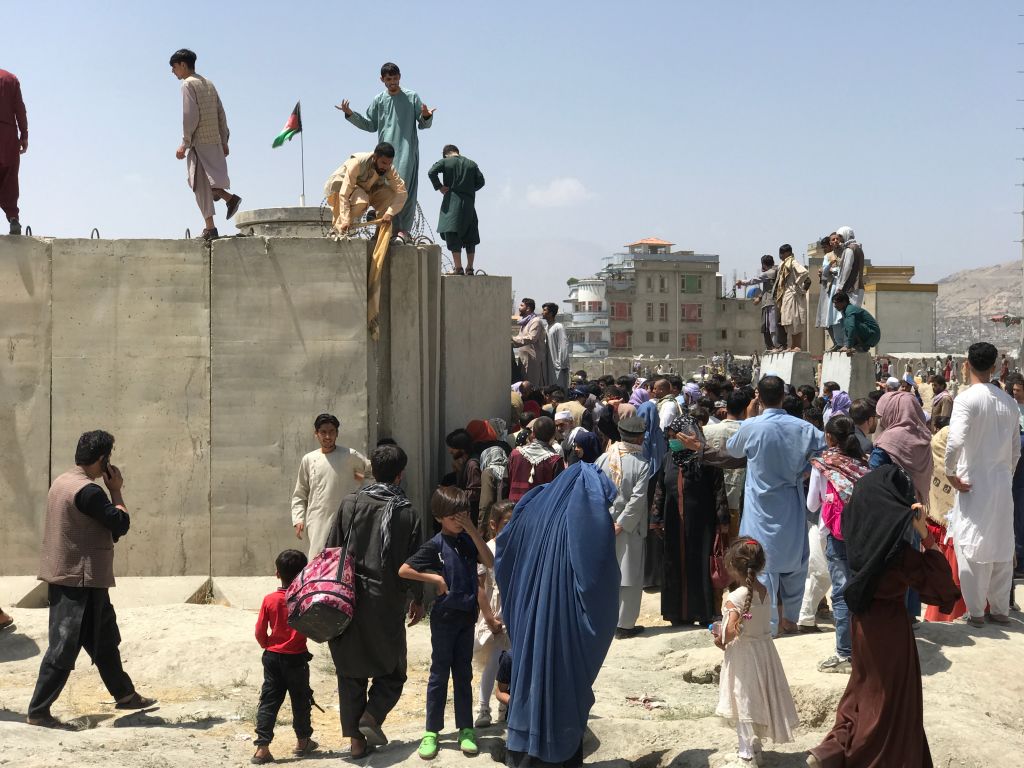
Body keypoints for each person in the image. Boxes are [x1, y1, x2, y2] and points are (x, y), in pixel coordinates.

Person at [807, 466, 960, 768]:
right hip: (891, 629)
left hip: (862, 624)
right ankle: (867, 757)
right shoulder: (899, 556)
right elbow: (943, 588)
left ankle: (831, 751)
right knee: (890, 702)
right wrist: (926, 536)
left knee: (863, 692)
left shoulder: (861, 544)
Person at [28, 430, 157, 727]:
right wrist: (117, 491)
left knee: (104, 639)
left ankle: (125, 695)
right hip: (80, 580)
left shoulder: (62, 482)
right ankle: (39, 710)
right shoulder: (89, 491)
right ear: (103, 459)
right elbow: (120, 523)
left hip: (77, 576)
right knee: (64, 645)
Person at [494, 462, 619, 768]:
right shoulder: (588, 514)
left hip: (527, 624)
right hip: (567, 634)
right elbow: (597, 580)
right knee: (561, 693)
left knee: (529, 687)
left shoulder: (534, 504)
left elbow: (504, 552)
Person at [325, 443, 425, 759]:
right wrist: (418, 599)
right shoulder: (407, 512)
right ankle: (372, 716)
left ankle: (356, 742)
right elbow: (414, 563)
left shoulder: (350, 504)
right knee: (393, 671)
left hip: (348, 599)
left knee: (351, 670)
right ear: (400, 475)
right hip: (387, 602)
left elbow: (331, 551)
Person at [726, 375, 826, 635]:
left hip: (760, 504)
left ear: (758, 396)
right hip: (790, 501)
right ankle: (790, 620)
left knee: (759, 561)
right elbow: (825, 450)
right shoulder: (803, 428)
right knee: (795, 561)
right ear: (783, 395)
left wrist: (749, 418)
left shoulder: (752, 426)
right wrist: (805, 470)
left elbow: (733, 450)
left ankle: (767, 624)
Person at [399, 486, 494, 759]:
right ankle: (432, 732)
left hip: (466, 617)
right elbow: (405, 569)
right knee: (439, 674)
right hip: (444, 619)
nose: (459, 520)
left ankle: (465, 728)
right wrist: (436, 579)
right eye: (454, 516)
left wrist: (473, 531)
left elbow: (489, 561)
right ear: (440, 517)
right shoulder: (435, 544)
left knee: (463, 674)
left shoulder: (467, 541)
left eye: (463, 514)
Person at [944, 341, 1020, 627]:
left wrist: (951, 472)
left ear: (966, 364)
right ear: (995, 367)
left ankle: (976, 613)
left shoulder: (967, 399)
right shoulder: (1009, 402)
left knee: (971, 545)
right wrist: (1004, 476)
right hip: (1001, 483)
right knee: (1001, 544)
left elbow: (955, 440)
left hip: (972, 482)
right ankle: (1000, 610)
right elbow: (1015, 451)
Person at [714, 539, 799, 766]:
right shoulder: (764, 591)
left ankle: (746, 753)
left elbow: (731, 632)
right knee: (758, 697)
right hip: (764, 652)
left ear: (733, 566)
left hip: (743, 656)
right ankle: (756, 748)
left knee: (742, 699)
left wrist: (719, 637)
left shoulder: (735, 598)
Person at [337, 62, 435, 242]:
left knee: (402, 188)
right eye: (388, 79)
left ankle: (402, 230)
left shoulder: (412, 97)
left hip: (406, 150)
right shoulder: (379, 100)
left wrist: (427, 116)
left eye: (395, 78)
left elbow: (423, 124)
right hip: (383, 154)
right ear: (382, 80)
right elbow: (370, 124)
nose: (392, 82)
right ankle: (384, 226)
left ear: (400, 76)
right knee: (384, 190)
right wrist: (350, 114)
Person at [651, 413, 729, 627]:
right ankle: (676, 614)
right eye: (669, 436)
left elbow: (718, 491)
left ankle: (703, 613)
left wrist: (722, 522)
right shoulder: (668, 458)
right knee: (674, 564)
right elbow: (660, 488)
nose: (672, 440)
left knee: (700, 564)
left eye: (675, 436)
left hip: (701, 523)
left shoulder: (706, 458)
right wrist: (656, 518)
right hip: (673, 521)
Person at [806, 416, 868, 672]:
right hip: (864, 535)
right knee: (862, 591)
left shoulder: (823, 465)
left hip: (835, 533)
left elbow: (812, 504)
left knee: (841, 593)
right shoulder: (863, 463)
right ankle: (865, 648)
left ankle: (845, 653)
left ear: (829, 437)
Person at [169, 49, 242, 241]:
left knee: (198, 184)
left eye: (174, 67)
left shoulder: (187, 85)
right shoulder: (208, 83)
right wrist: (224, 140)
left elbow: (190, 116)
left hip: (199, 143)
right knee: (205, 182)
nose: (173, 72)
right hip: (214, 140)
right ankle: (228, 199)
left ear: (183, 65)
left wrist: (184, 144)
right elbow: (221, 113)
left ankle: (210, 228)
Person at [252, 549, 317, 764]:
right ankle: (302, 741)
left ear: (276, 573)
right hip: (296, 658)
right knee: (301, 700)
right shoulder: (306, 599)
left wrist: (268, 646)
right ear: (303, 574)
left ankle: (262, 748)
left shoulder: (269, 600)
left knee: (269, 700)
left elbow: (260, 631)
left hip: (272, 657)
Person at [595, 417, 652, 638]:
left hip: (603, 525)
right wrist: (622, 523)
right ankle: (625, 624)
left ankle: (605, 621)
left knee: (607, 573)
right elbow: (637, 499)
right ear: (639, 437)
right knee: (629, 574)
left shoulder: (602, 459)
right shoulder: (641, 464)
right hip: (629, 528)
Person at [290, 413, 369, 556]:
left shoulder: (350, 455)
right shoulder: (309, 459)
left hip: (347, 518)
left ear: (337, 433)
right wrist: (298, 518)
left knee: (346, 560)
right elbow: (300, 492)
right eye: (323, 432)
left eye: (332, 432)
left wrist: (361, 479)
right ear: (316, 434)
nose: (328, 436)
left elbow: (373, 473)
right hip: (318, 519)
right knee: (318, 559)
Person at [473, 500, 514, 728]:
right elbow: (480, 587)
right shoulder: (487, 549)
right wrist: (489, 617)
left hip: (512, 614)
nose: (511, 527)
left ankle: (503, 708)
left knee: (508, 663)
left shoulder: (518, 547)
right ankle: (483, 708)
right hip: (495, 615)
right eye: (506, 523)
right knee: (494, 662)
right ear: (493, 525)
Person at [922, 416, 968, 622]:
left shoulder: (936, 443)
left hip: (942, 518)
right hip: (953, 518)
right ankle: (954, 611)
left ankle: (945, 613)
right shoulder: (952, 439)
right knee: (953, 567)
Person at [324, 142, 408, 236]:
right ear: (375, 157)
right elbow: (345, 193)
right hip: (342, 186)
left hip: (366, 189)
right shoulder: (358, 163)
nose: (386, 167)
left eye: (389, 163)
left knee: (390, 196)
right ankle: (337, 230)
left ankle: (379, 236)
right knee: (361, 202)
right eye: (383, 163)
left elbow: (402, 192)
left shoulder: (388, 169)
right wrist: (345, 219)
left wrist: (390, 213)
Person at [428, 145, 485, 274]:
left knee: (452, 234)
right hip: (469, 204)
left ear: (445, 154)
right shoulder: (471, 164)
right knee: (471, 235)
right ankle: (470, 268)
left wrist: (440, 187)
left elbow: (431, 172)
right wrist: (469, 189)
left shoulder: (445, 161)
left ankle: (458, 268)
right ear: (457, 152)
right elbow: (481, 181)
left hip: (452, 202)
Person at [704, 390, 751, 539]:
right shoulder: (752, 434)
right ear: (746, 409)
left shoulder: (705, 431)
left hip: (709, 498)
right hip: (739, 501)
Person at [508, 416, 564, 502]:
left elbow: (505, 484)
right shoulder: (555, 461)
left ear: (533, 434)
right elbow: (558, 491)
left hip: (513, 508)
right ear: (553, 435)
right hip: (540, 510)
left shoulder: (515, 455)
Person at [736, 255, 785, 351]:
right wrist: (759, 297)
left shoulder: (769, 273)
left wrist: (741, 282)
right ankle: (772, 346)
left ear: (763, 264)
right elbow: (769, 289)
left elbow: (753, 280)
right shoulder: (776, 271)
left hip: (770, 303)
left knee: (772, 327)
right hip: (769, 303)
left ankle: (775, 346)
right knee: (767, 327)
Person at [0, 68, 27, 235]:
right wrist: (24, 135)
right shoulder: (11, 79)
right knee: (10, 180)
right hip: (9, 136)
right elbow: (20, 109)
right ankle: (13, 218)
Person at [772, 244, 810, 352]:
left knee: (796, 320)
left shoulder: (792, 262)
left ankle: (797, 346)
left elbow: (804, 272)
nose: (780, 255)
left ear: (787, 253)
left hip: (793, 294)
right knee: (788, 321)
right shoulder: (782, 265)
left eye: (782, 253)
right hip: (786, 295)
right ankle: (792, 345)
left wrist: (796, 285)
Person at [445, 428, 483, 524]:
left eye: (453, 448)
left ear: (462, 448)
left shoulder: (472, 465)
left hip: (472, 517)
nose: (450, 451)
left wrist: (454, 493)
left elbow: (475, 492)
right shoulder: (466, 463)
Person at [511, 298, 549, 389]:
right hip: (524, 360)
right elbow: (521, 340)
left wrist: (512, 339)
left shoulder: (535, 321)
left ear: (528, 308)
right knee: (523, 387)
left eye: (521, 306)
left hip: (532, 361)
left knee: (532, 387)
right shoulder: (525, 322)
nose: (519, 308)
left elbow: (531, 338)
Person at [543, 302, 570, 392]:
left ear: (550, 313)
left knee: (559, 392)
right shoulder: (547, 327)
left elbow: (563, 345)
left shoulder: (558, 327)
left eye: (544, 310)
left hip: (558, 367)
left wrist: (561, 364)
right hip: (549, 366)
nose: (542, 312)